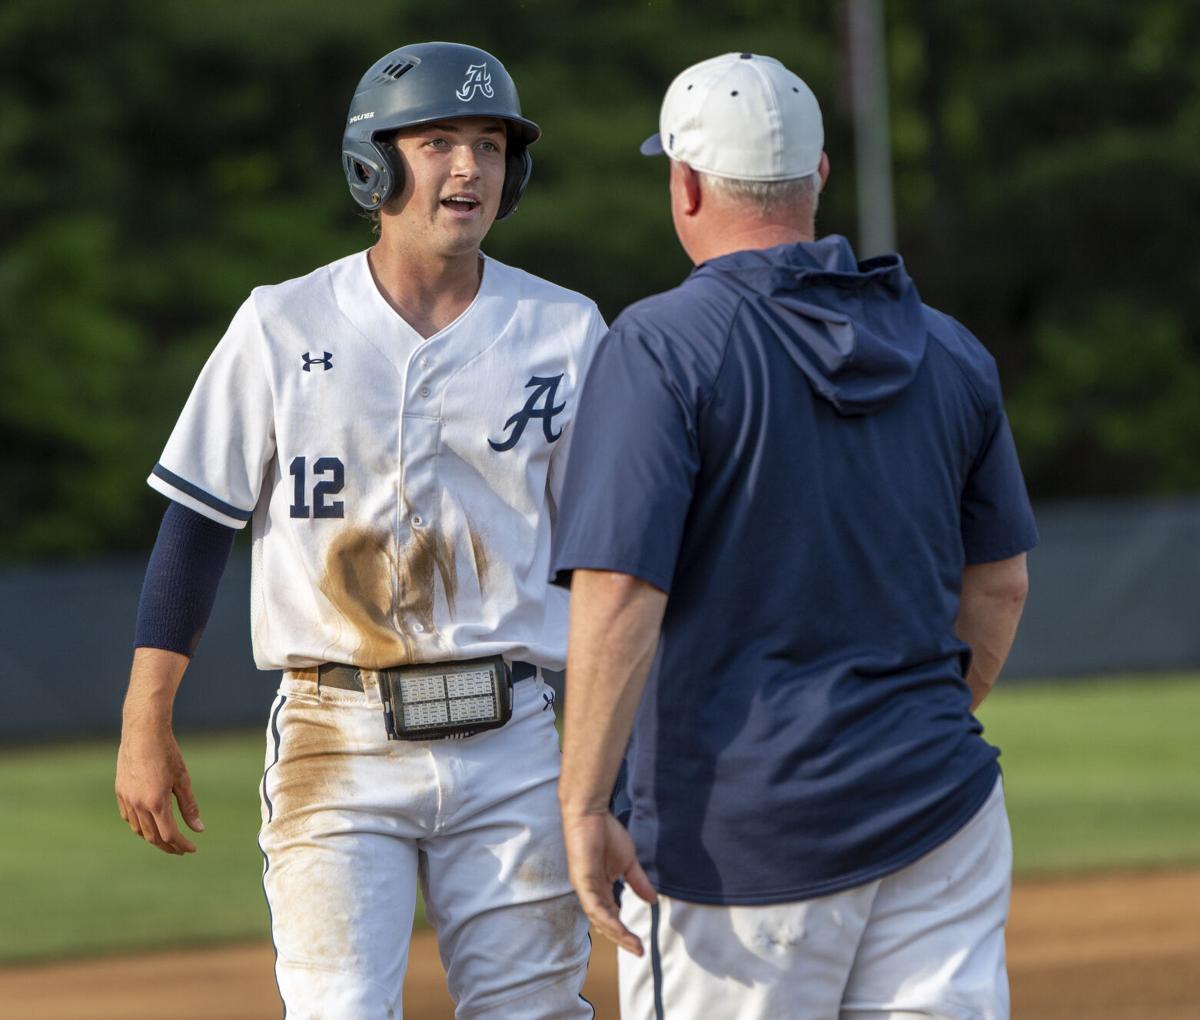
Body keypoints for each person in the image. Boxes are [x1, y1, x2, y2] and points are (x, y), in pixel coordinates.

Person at [114, 41, 604, 1019]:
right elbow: (199, 525)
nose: (468, 168)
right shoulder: (280, 323)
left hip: (514, 732)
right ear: (372, 163)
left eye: (491, 145)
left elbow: (611, 558)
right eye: (438, 142)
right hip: (336, 733)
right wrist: (144, 715)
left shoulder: (567, 330)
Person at [550, 52, 1037, 1020]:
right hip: (942, 810)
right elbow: (1000, 588)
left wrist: (582, 804)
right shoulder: (948, 347)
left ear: (684, 184)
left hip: (740, 839)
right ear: (817, 177)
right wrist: (920, 720)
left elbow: (620, 594)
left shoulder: (660, 345)